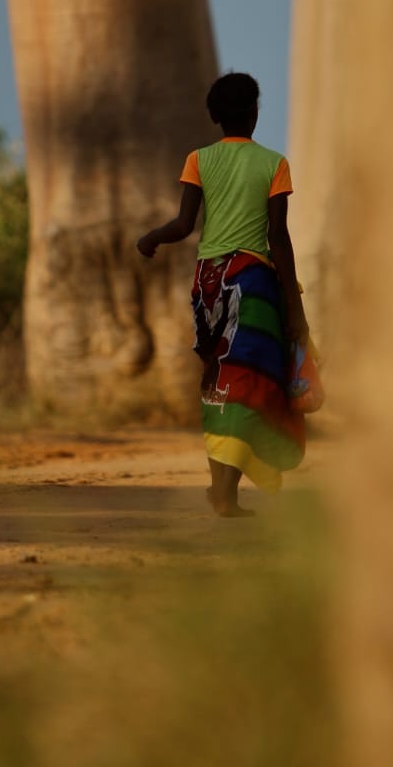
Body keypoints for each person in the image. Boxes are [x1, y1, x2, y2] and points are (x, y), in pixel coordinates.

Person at [136, 72, 308, 517]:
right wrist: (296, 307)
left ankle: (220, 489)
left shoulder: (198, 160)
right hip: (251, 283)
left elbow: (183, 226)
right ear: (255, 112)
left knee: (216, 381)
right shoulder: (274, 163)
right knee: (248, 382)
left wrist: (151, 238)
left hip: (208, 284)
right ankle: (226, 494)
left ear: (213, 117)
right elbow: (278, 238)